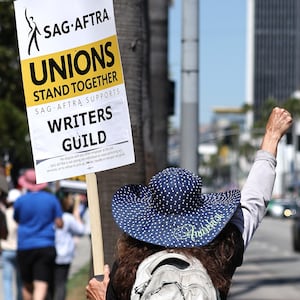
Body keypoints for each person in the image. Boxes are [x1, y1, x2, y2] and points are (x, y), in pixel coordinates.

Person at [85, 107, 293, 300]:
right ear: (201, 211)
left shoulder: (126, 270)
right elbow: (253, 202)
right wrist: (271, 137)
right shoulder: (222, 252)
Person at [14, 168, 63, 300]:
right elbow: (59, 223)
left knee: (27, 285)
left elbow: (17, 219)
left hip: (25, 245)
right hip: (45, 245)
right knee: (41, 283)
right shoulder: (51, 199)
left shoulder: (20, 201)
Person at [54, 190, 86, 300]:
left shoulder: (51, 216)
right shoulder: (67, 217)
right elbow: (81, 230)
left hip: (51, 254)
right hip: (63, 256)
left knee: (51, 284)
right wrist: (77, 215)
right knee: (60, 284)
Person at [0, 188, 23, 300]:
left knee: (7, 280)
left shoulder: (5, 214)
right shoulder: (21, 214)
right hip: (19, 249)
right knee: (19, 280)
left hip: (6, 249)